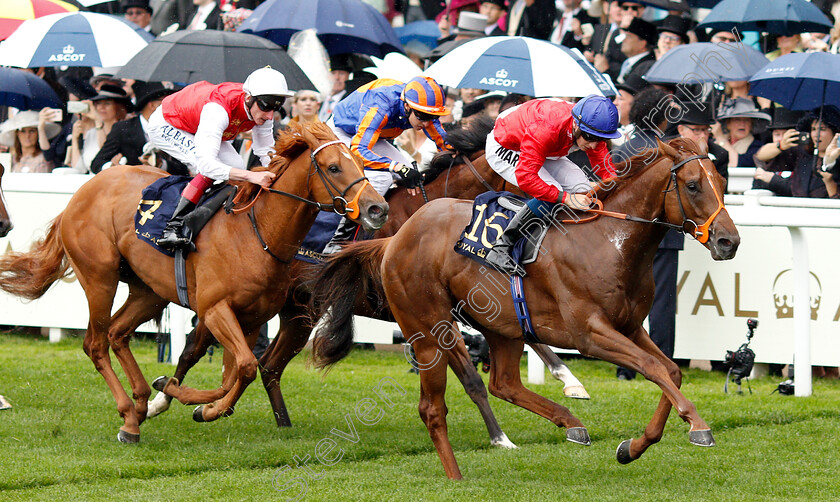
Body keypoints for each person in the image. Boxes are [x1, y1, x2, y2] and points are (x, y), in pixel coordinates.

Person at [147, 67, 293, 249]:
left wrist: (281, 173)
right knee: (213, 169)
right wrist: (252, 176)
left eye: (276, 107)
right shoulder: (218, 109)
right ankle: (172, 227)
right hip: (169, 123)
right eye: (266, 106)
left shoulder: (262, 106)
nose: (270, 114)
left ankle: (212, 213)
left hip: (198, 123)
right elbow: (207, 165)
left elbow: (265, 150)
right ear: (248, 98)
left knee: (236, 165)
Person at [483, 95, 620, 276]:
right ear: (577, 125)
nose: (594, 144)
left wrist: (621, 188)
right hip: (506, 145)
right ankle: (501, 247)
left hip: (543, 146)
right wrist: (566, 198)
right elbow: (526, 178)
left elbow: (607, 172)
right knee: (553, 190)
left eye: (600, 139)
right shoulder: (547, 128)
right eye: (590, 137)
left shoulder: (592, 127)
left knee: (582, 187)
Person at [323, 76, 450, 253]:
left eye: (433, 117)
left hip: (370, 137)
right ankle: (339, 242)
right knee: (383, 176)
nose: (427, 123)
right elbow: (359, 150)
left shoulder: (421, 109)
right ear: (407, 106)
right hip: (341, 132)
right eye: (423, 117)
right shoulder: (381, 103)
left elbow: (445, 143)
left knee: (412, 175)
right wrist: (396, 167)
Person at [91, 82, 177, 173]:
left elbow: (183, 168)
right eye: (165, 101)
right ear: (152, 105)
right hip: (132, 184)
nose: (171, 105)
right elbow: (97, 163)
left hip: (165, 184)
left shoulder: (173, 129)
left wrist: (161, 164)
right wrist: (112, 166)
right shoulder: (123, 129)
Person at [753, 108, 840, 198]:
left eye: (822, 129)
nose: (816, 134)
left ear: (835, 132)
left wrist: (829, 180)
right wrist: (781, 145)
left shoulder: (837, 161)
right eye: (813, 129)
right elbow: (760, 156)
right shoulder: (803, 154)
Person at [66, 84, 132, 173]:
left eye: (107, 103)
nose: (101, 107)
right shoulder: (92, 132)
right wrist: (75, 139)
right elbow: (79, 169)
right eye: (98, 103)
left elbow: (104, 155)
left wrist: (98, 121)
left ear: (119, 107)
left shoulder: (126, 132)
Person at [711, 97, 771, 168]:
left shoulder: (757, 146)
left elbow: (737, 163)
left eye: (746, 120)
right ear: (728, 124)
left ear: (751, 124)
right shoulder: (713, 143)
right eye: (737, 119)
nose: (742, 124)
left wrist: (721, 139)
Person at [617, 17, 658, 85]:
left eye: (629, 37)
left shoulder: (646, 66)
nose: (624, 40)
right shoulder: (628, 61)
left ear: (642, 43)